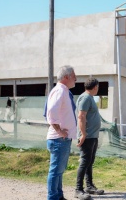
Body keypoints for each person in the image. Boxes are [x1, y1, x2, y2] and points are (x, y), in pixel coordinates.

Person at [45, 65, 77, 200]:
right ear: (66, 77)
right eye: (74, 76)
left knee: (59, 171)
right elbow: (51, 112)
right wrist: (59, 130)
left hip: (62, 139)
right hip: (59, 139)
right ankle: (53, 197)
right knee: (55, 171)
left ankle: (58, 196)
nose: (76, 79)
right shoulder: (60, 90)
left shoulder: (63, 91)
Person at [75, 77, 104, 199]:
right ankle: (78, 189)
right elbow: (81, 116)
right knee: (85, 162)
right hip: (87, 136)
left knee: (89, 162)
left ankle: (89, 186)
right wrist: (83, 134)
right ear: (95, 87)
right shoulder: (85, 97)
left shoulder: (90, 98)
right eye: (98, 87)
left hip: (93, 136)